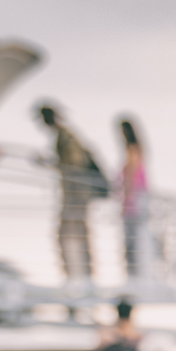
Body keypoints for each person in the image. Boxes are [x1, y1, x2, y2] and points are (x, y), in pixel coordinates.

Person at [36, 102, 103, 283]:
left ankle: (79, 276)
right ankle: (79, 275)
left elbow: (75, 166)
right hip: (76, 196)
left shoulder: (65, 137)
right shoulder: (65, 136)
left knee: (71, 234)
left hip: (76, 196)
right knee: (74, 234)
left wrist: (52, 164)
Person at [118, 118, 151, 278]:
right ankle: (135, 272)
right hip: (139, 201)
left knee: (132, 241)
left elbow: (130, 178)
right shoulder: (140, 150)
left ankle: (133, 273)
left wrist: (125, 200)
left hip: (133, 204)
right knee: (136, 239)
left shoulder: (132, 150)